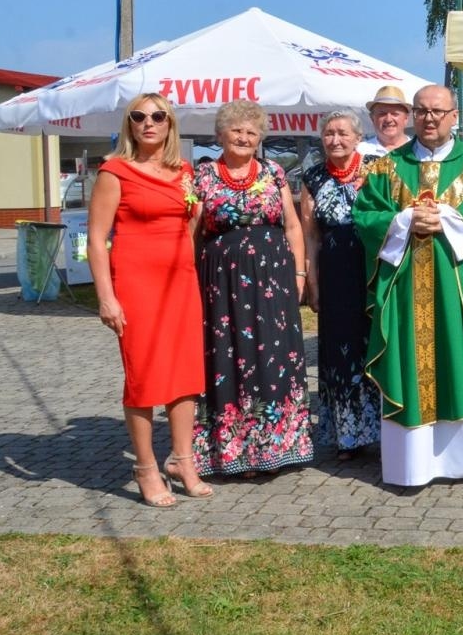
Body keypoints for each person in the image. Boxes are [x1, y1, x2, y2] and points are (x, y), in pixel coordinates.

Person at [353, 84, 463, 486]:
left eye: (438, 111)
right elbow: (365, 217)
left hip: (462, 290)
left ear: (454, 117)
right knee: (409, 363)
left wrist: (447, 218)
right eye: (422, 111)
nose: (430, 118)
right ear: (413, 115)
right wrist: (404, 221)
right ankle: (412, 466)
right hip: (406, 288)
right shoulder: (385, 168)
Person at [86, 94, 210, 507]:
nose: (148, 123)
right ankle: (144, 467)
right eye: (138, 117)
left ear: (171, 124)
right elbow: (97, 241)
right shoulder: (114, 171)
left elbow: (190, 227)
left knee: (186, 374)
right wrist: (107, 297)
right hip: (136, 284)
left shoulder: (185, 172)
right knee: (143, 376)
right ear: (129, 125)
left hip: (181, 283)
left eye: (158, 116)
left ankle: (183, 459)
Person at [191, 100, 315, 477]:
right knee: (229, 358)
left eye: (251, 131)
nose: (244, 137)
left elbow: (292, 226)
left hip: (274, 282)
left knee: (274, 359)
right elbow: (192, 234)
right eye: (236, 130)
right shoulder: (204, 176)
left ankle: (278, 446)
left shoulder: (275, 172)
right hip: (222, 287)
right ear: (220, 135)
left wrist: (298, 275)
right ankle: (234, 452)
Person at [299, 109, 382, 462]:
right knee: (338, 354)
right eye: (329, 133)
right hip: (334, 277)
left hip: (373, 273)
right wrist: (313, 284)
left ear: (358, 137)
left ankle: (383, 429)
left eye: (342, 133)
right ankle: (348, 437)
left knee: (376, 348)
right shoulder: (313, 177)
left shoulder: (378, 168)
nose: (335, 140)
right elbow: (310, 237)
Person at [358, 84, 411, 160]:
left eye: (394, 114)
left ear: (406, 118)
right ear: (372, 118)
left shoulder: (418, 150)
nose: (388, 119)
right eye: (382, 114)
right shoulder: (360, 151)